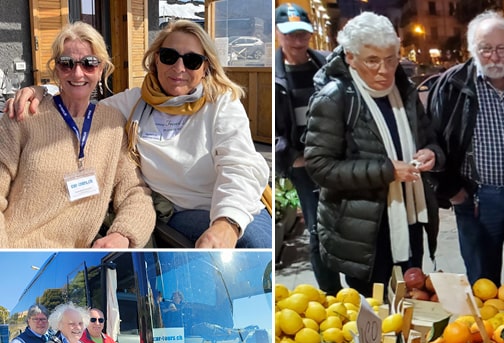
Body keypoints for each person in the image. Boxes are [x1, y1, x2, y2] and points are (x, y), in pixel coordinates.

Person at [6, 20, 270, 249]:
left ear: (206, 68)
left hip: (229, 203)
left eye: (192, 60)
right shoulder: (133, 103)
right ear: (155, 59)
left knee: (257, 244)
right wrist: (39, 93)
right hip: (179, 211)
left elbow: (240, 166)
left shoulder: (221, 103)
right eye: (169, 56)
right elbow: (77, 99)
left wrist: (227, 222)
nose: (179, 68)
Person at [304, 12, 443, 296]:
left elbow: (429, 138)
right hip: (363, 233)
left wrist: (432, 153)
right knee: (372, 314)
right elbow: (319, 167)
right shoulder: (334, 98)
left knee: (411, 300)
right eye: (372, 60)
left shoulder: (404, 89)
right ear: (351, 57)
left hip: (409, 220)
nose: (385, 70)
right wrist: (387, 171)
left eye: (391, 59)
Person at [427, 10, 504, 298]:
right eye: (485, 49)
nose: (495, 57)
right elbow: (431, 139)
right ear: (472, 50)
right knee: (483, 285)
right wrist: (452, 191)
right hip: (477, 200)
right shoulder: (452, 85)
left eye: (502, 48)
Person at [0, 22, 155, 247]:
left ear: (102, 69)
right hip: (17, 252)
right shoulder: (24, 115)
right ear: (56, 69)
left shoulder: (112, 123)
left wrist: (123, 234)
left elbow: (134, 191)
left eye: (90, 63)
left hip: (74, 259)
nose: (78, 72)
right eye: (67, 64)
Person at [275, 3, 342, 295]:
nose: (297, 40)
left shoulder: (327, 65)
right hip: (304, 165)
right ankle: (330, 293)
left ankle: (353, 290)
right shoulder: (275, 75)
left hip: (336, 159)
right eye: (291, 34)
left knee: (346, 225)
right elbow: (275, 132)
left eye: (303, 33)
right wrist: (293, 158)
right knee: (317, 229)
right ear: (279, 34)